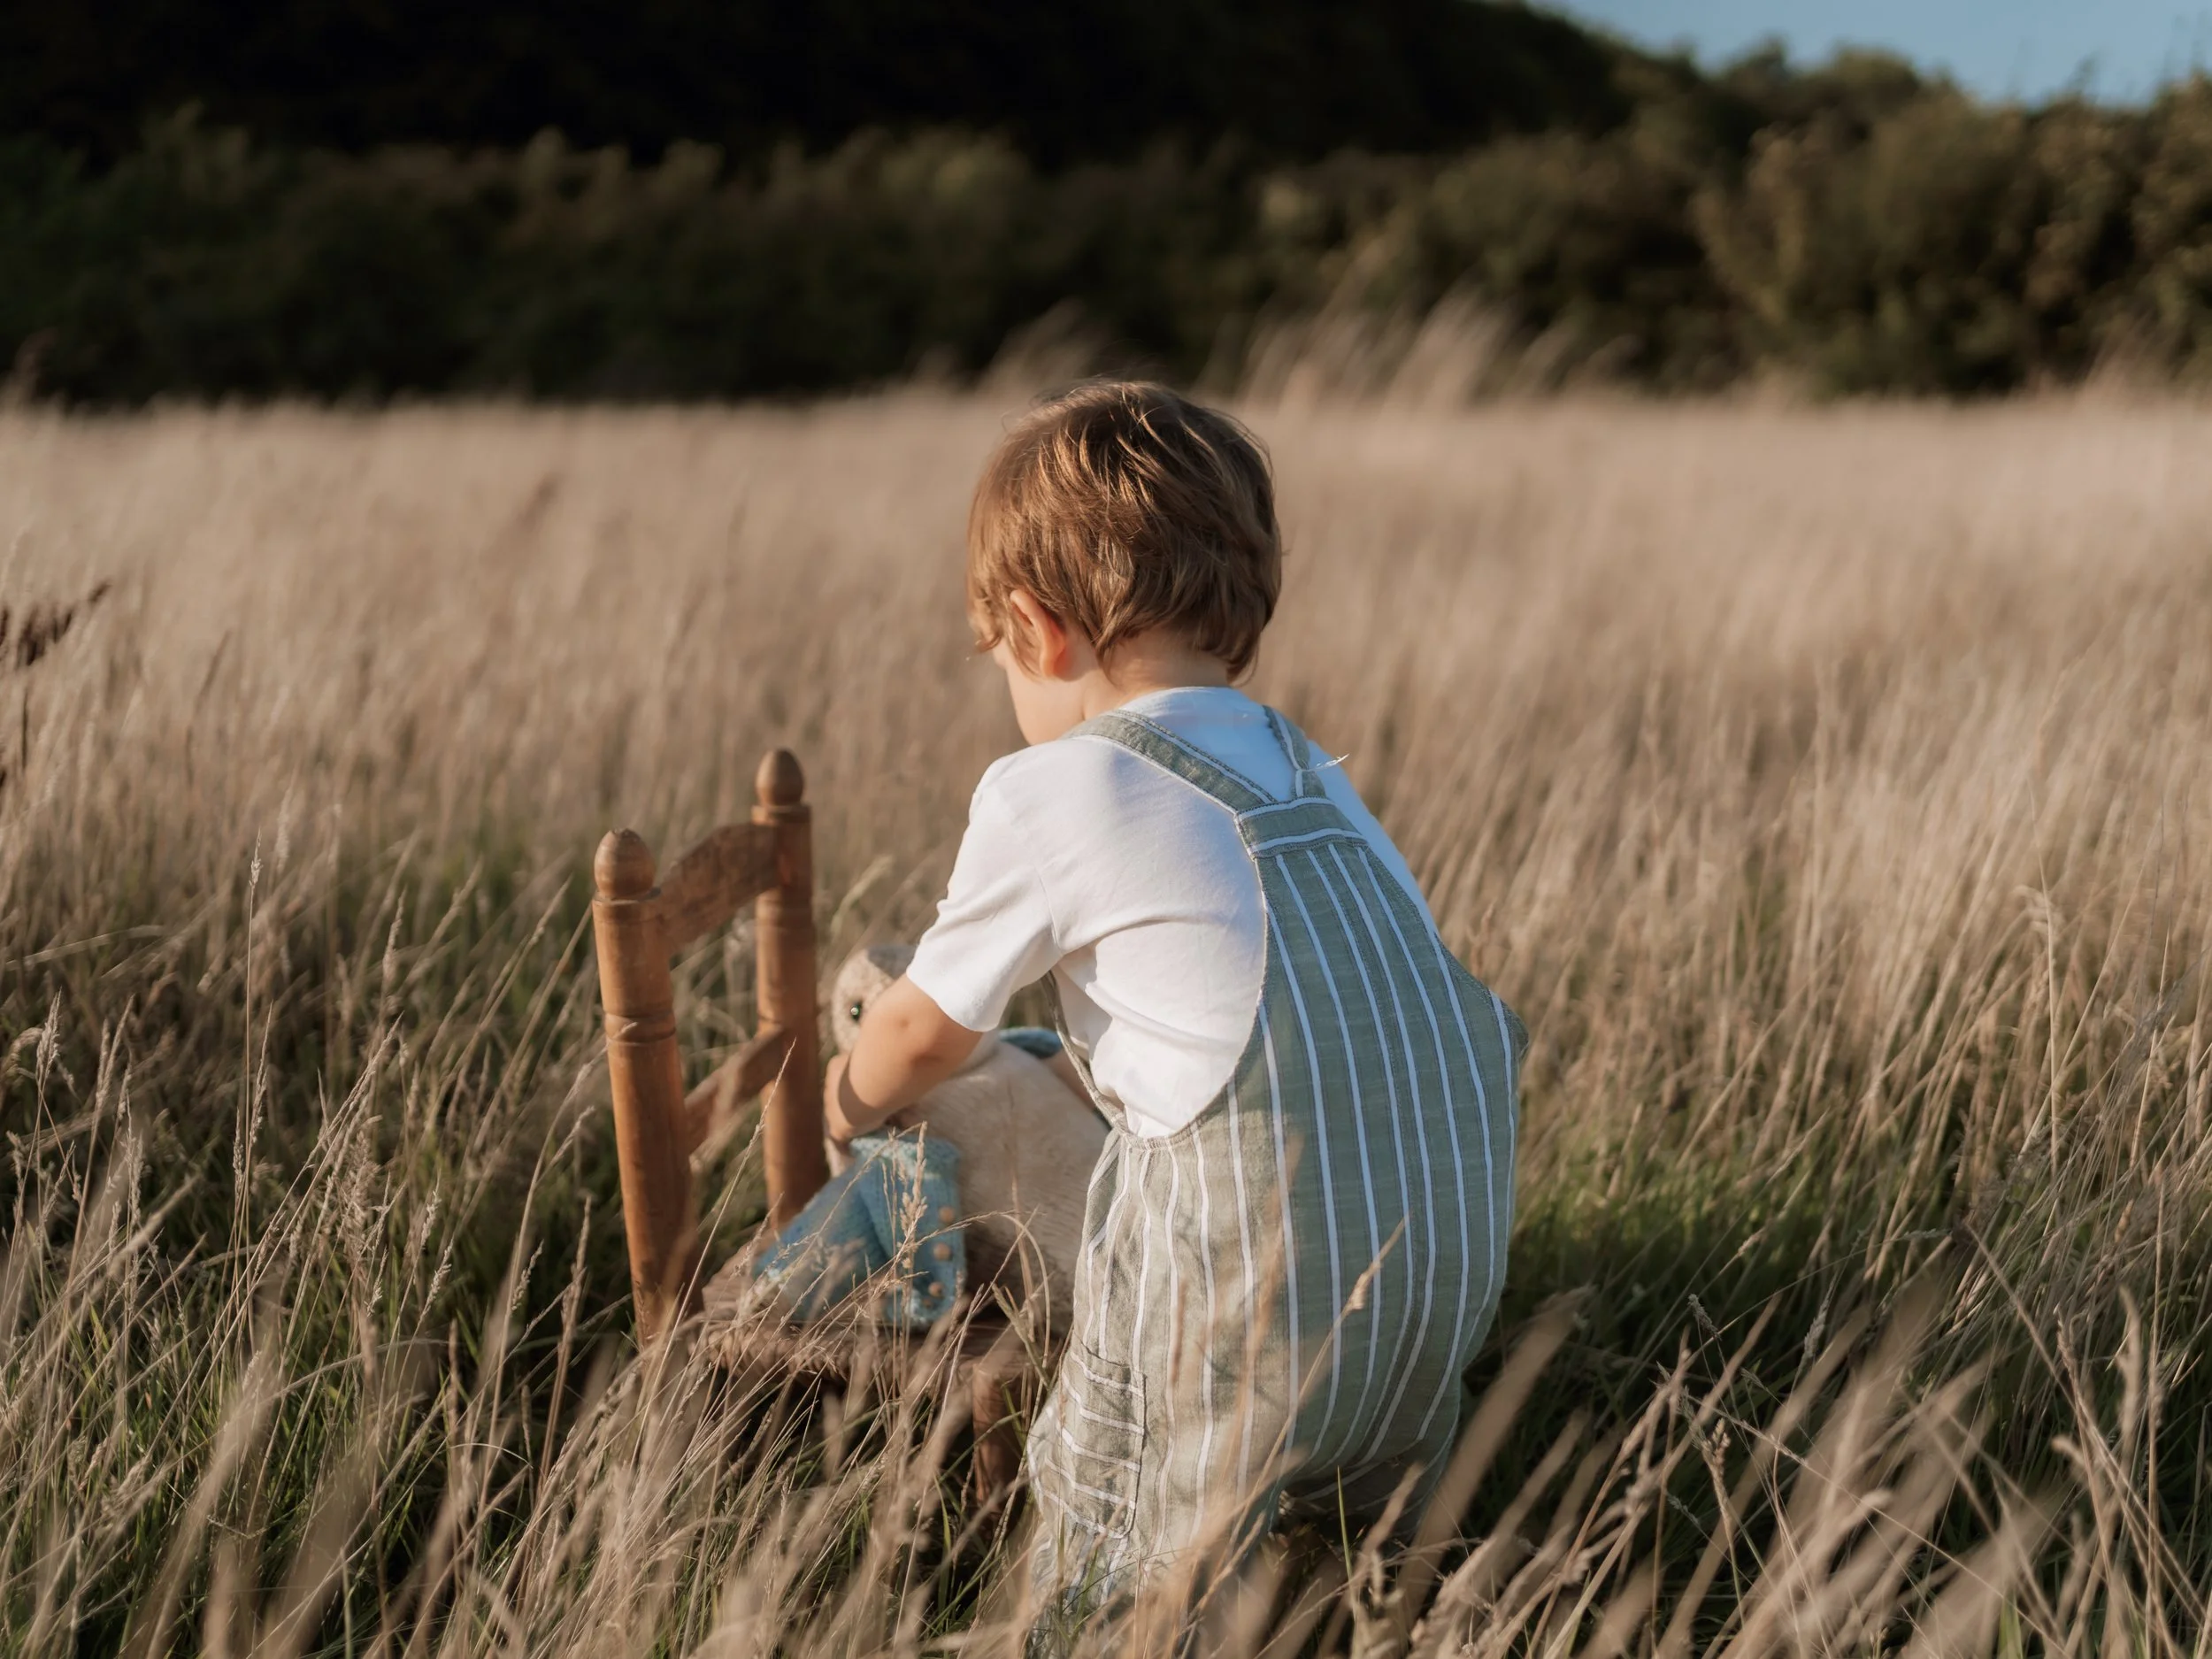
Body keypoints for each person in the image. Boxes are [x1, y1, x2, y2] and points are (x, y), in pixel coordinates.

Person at [822, 380, 1524, 1625]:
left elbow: (924, 1027)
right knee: (1379, 1562)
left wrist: (848, 1094)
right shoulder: (1309, 769)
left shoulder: (1057, 787)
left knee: (1119, 1554)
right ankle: (1405, 1596)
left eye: (1000, 662)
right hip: (1434, 1310)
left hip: (1237, 1325)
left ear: (1040, 632)